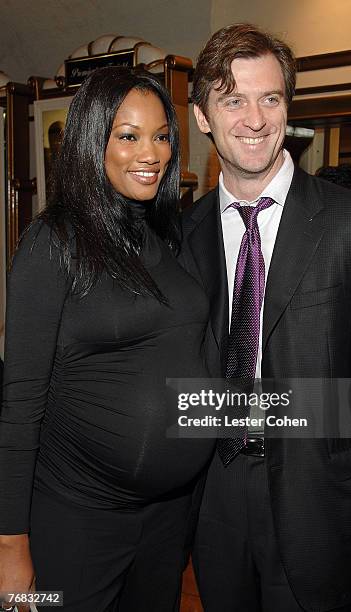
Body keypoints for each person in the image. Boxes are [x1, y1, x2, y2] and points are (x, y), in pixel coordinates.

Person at [181, 23, 351, 612]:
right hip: (213, 492)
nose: (254, 119)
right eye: (233, 100)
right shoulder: (182, 233)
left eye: (270, 98)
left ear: (288, 104)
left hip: (326, 495)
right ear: (204, 116)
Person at [0, 66, 214, 612]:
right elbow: (20, 404)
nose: (152, 153)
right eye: (128, 135)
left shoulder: (167, 234)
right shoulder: (53, 242)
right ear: (92, 139)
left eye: (162, 136)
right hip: (75, 516)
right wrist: (9, 545)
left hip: (166, 519)